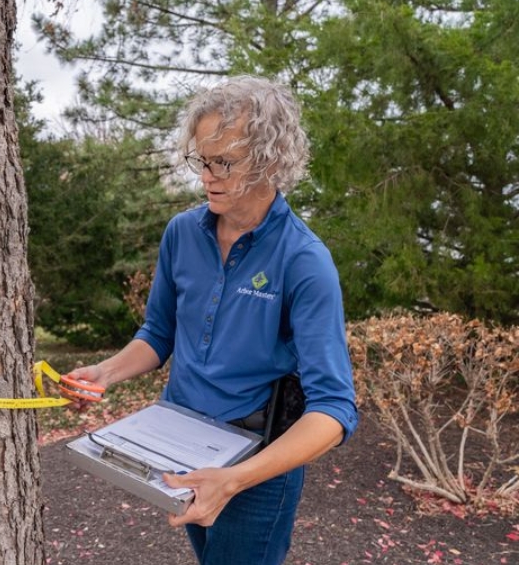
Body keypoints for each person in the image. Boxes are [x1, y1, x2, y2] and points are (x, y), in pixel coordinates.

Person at [64, 76, 359, 565]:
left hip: (256, 465)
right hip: (177, 442)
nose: (207, 175)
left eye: (224, 162)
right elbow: (159, 335)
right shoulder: (182, 232)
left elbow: (334, 410)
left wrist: (235, 479)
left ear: (271, 159)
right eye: (202, 159)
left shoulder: (304, 260)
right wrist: (105, 372)